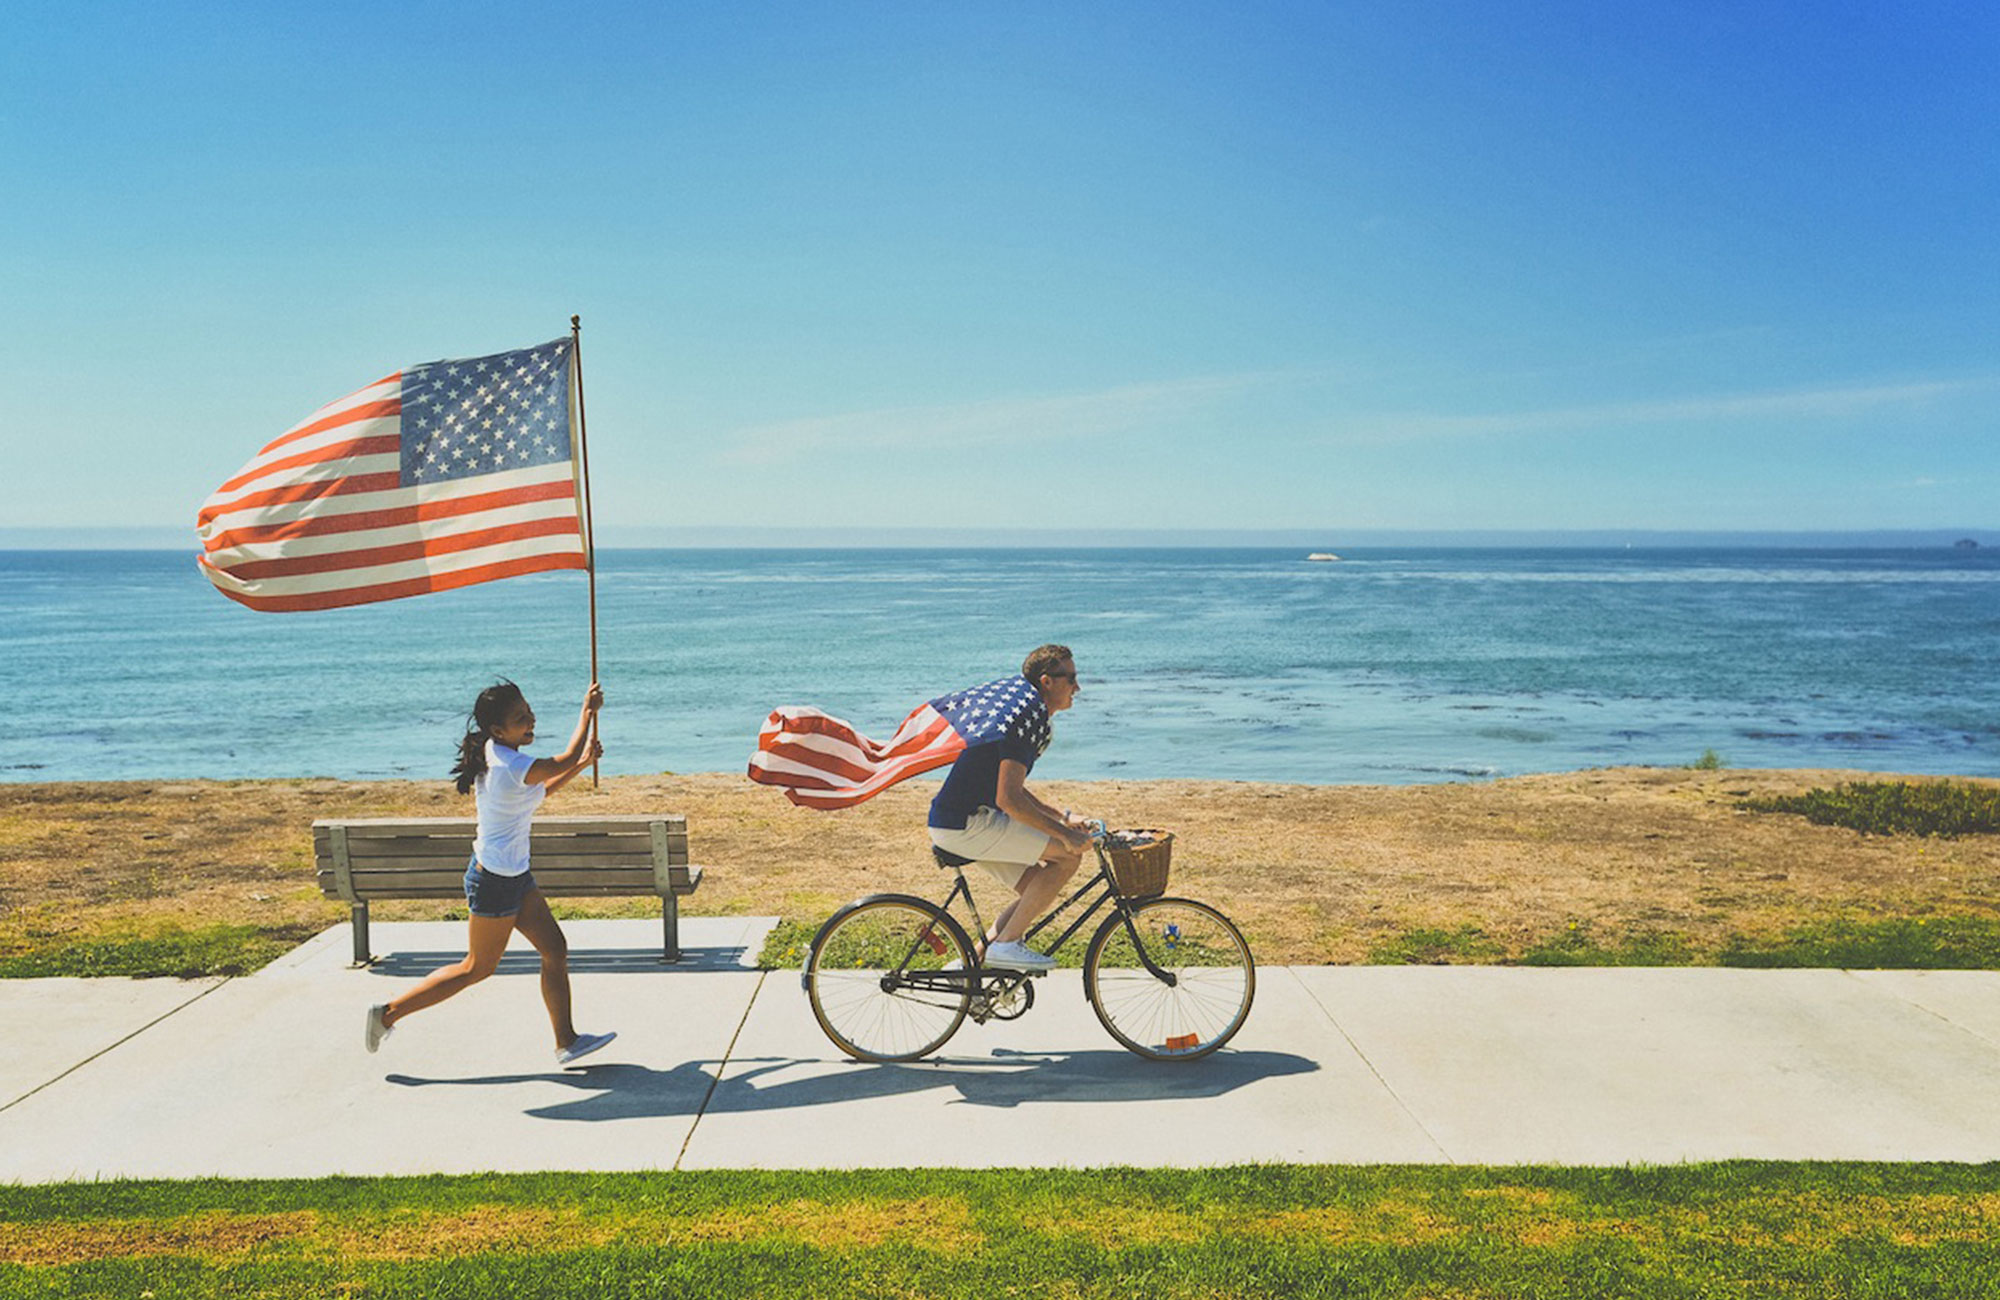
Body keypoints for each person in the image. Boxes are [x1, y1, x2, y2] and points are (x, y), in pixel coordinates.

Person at [364, 679, 617, 1065]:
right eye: (520, 718)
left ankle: (566, 1041)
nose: (530, 720)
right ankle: (387, 1014)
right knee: (476, 968)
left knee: (555, 949)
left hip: (515, 875)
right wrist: (586, 713)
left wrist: (582, 764)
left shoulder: (499, 753)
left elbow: (543, 789)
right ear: (498, 730)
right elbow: (562, 760)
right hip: (494, 881)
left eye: (528, 711)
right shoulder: (508, 765)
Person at [925, 644, 1092, 972]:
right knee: (1068, 857)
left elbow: (1012, 789)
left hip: (959, 821)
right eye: (1071, 678)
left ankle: (969, 968)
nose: (1078, 687)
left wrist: (1063, 818)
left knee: (1035, 889)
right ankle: (1006, 945)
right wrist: (1065, 836)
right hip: (967, 824)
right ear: (1047, 681)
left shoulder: (1025, 712)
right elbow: (1009, 801)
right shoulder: (1025, 718)